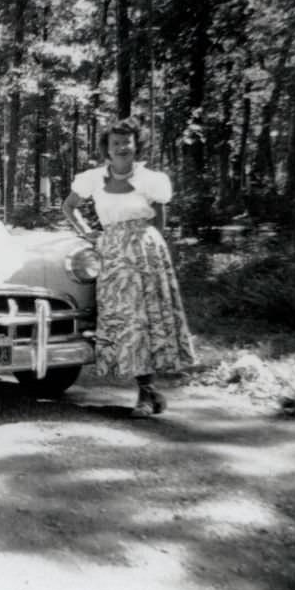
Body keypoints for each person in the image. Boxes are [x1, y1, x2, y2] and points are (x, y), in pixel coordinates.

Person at [62, 115, 194, 418]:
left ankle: (147, 394)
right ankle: (148, 390)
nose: (122, 147)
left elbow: (159, 220)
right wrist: (86, 232)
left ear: (137, 146)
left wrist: (149, 246)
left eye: (127, 142)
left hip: (145, 251)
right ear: (106, 149)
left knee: (146, 320)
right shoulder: (93, 178)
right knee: (125, 321)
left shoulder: (151, 180)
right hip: (112, 253)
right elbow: (69, 206)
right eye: (115, 143)